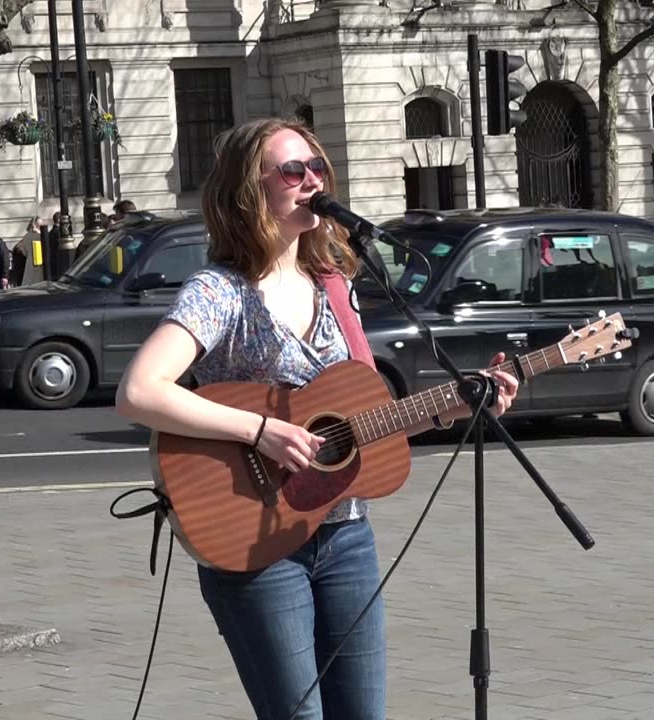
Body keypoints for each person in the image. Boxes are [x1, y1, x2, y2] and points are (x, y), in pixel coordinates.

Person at [114, 117, 519, 720]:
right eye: (293, 171)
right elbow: (139, 390)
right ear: (249, 190)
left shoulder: (336, 286)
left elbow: (361, 422)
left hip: (347, 535)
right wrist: (260, 431)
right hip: (256, 539)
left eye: (317, 169)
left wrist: (453, 407)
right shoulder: (219, 291)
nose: (312, 181)